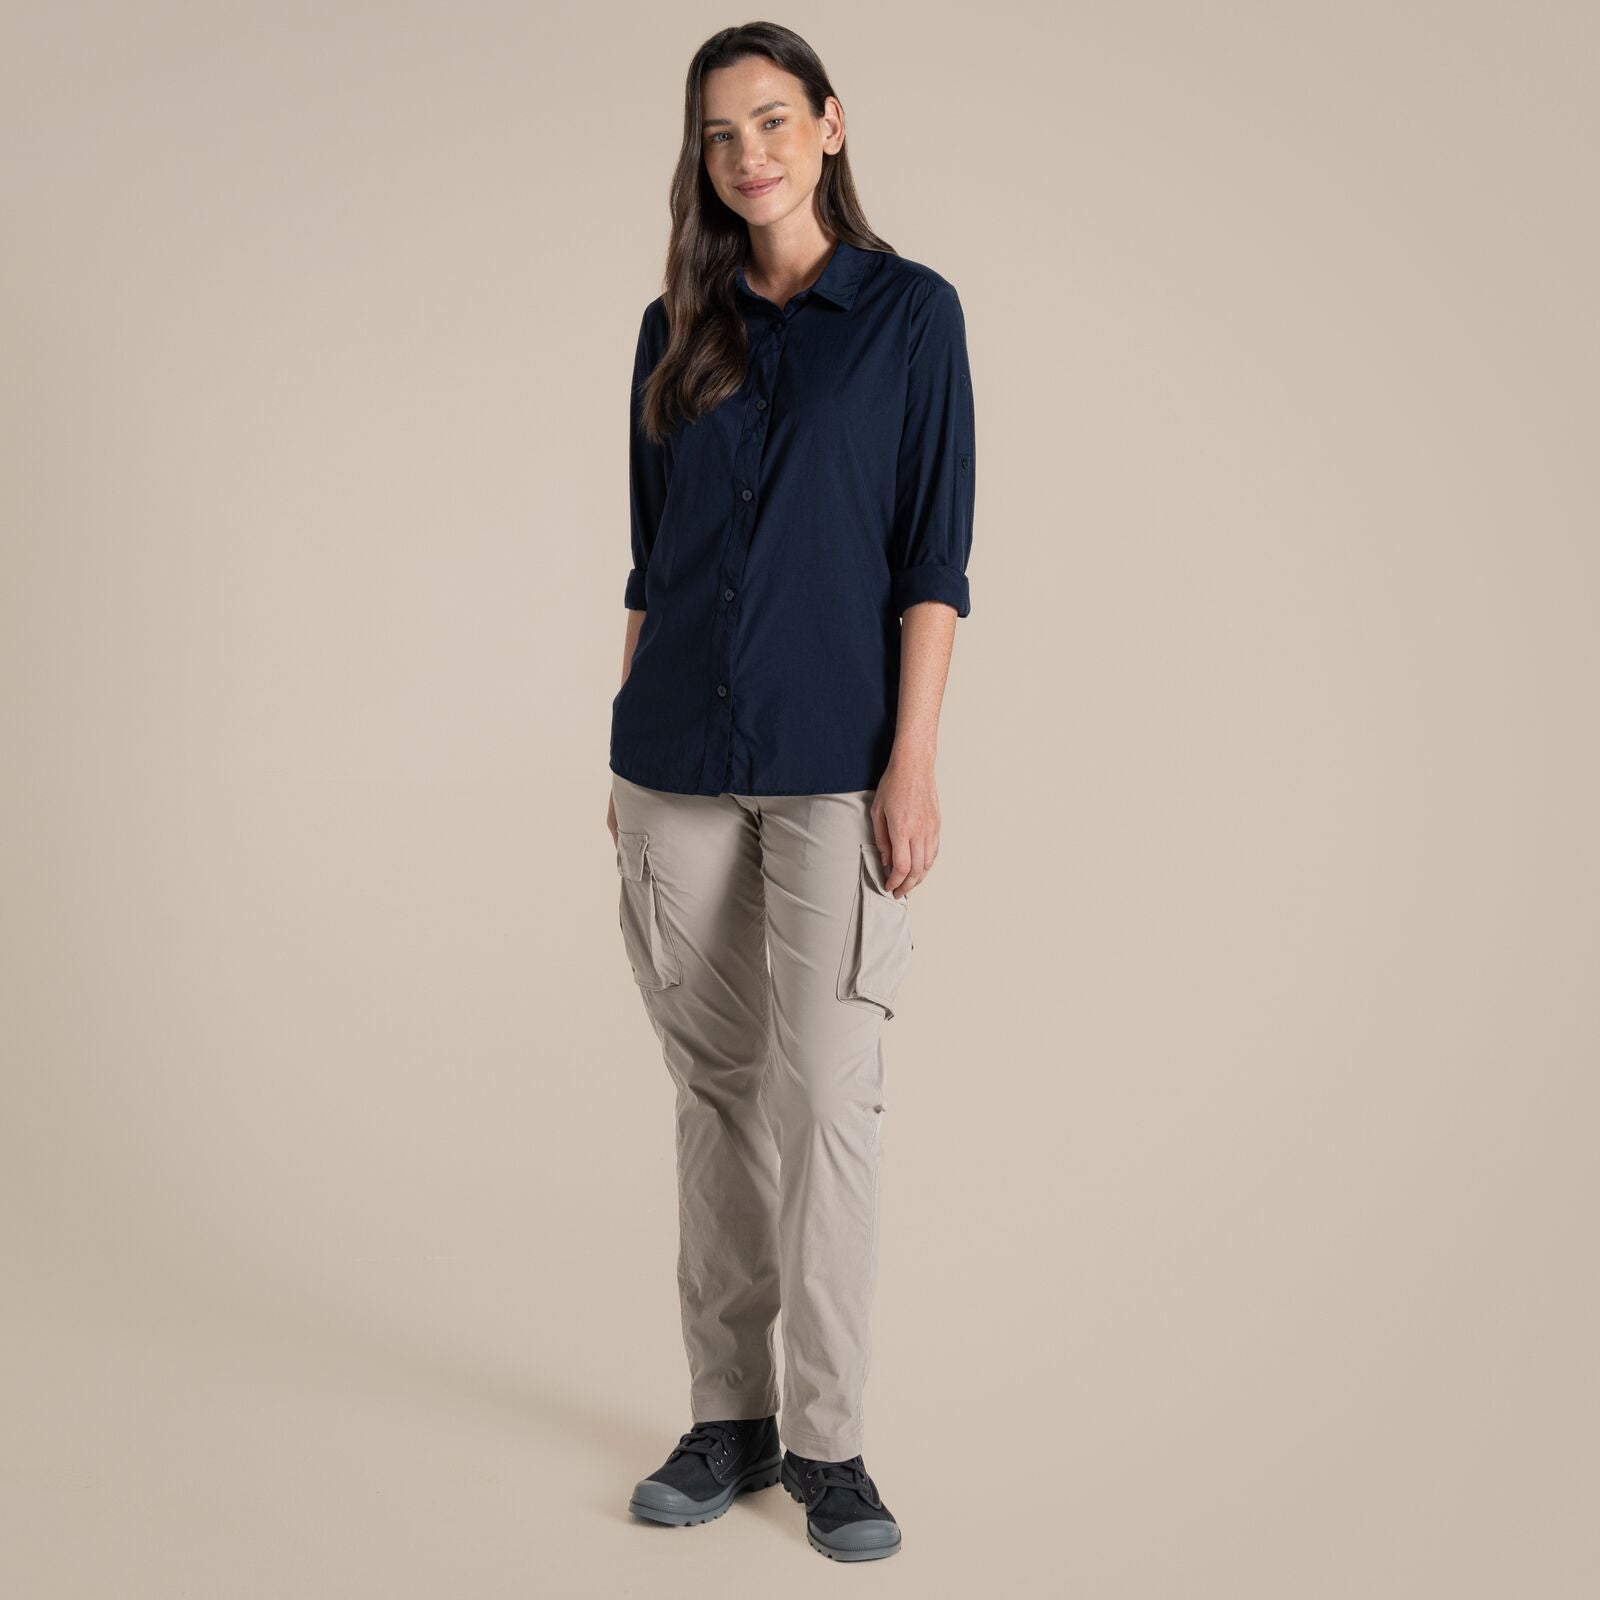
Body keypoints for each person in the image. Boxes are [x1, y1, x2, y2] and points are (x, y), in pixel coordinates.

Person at [609, 22, 975, 1564]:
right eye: (719, 133)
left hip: (838, 767)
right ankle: (730, 1417)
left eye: (771, 120)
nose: (746, 153)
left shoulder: (911, 317)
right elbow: (650, 558)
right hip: (673, 767)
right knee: (715, 1092)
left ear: (829, 125)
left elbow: (933, 562)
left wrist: (913, 761)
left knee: (828, 1097)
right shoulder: (672, 326)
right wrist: (621, 740)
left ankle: (829, 1444)